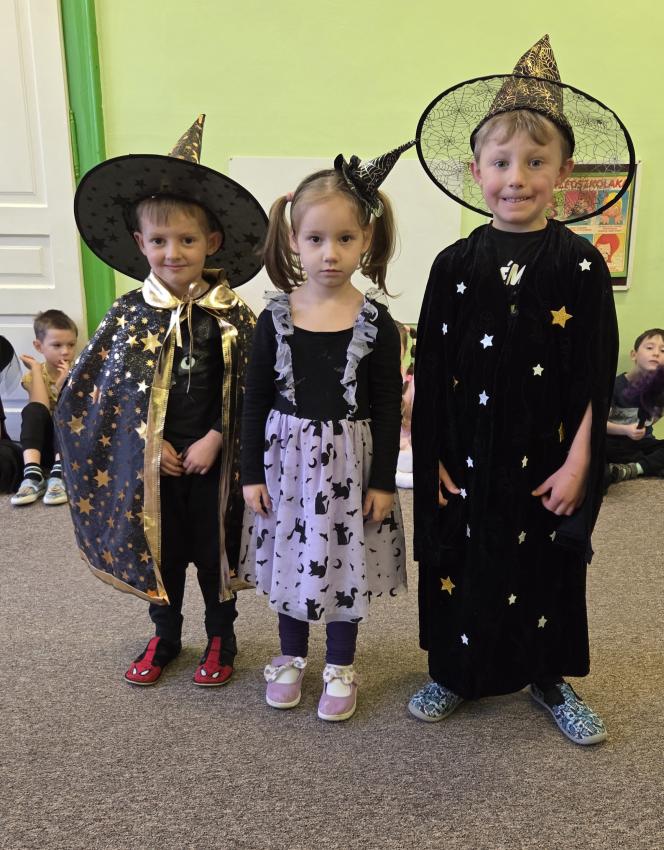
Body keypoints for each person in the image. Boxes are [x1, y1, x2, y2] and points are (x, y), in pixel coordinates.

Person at [410, 35, 633, 744]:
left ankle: (549, 676)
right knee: (464, 559)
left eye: (536, 162)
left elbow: (596, 374)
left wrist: (581, 462)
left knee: (544, 566)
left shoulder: (581, 266)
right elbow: (431, 367)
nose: (517, 178)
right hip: (466, 452)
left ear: (563, 171)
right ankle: (455, 670)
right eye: (502, 162)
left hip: (546, 455)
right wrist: (430, 452)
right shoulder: (452, 265)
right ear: (476, 170)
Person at [56, 116, 267, 686]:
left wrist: (217, 437)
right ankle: (166, 635)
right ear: (139, 244)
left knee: (216, 550)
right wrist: (150, 443)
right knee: (163, 552)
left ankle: (221, 637)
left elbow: (254, 389)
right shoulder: (128, 315)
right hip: (152, 466)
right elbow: (98, 397)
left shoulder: (233, 314)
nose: (173, 253)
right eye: (159, 241)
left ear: (211, 243)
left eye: (187, 240)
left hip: (216, 462)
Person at [240, 143, 412, 721]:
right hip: (286, 465)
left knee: (343, 560)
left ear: (366, 240)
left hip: (350, 468)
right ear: (294, 240)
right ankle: (290, 656)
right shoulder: (274, 317)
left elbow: (388, 406)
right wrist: (249, 474)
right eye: (315, 239)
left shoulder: (376, 323)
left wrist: (383, 482)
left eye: (344, 238)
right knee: (293, 558)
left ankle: (340, 664)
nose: (330, 253)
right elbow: (255, 400)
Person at [10, 310, 77, 506]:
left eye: (71, 345)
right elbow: (39, 406)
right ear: (39, 346)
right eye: (57, 345)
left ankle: (60, 475)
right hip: (43, 448)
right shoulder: (34, 376)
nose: (65, 352)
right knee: (32, 410)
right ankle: (32, 475)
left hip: (71, 449)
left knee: (66, 411)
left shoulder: (81, 372)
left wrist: (65, 387)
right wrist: (36, 369)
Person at [606, 328, 664, 482]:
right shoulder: (614, 386)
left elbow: (653, 419)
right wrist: (626, 430)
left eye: (663, 351)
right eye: (650, 348)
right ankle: (647, 466)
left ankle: (634, 469)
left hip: (640, 444)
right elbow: (598, 424)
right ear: (634, 355)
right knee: (595, 454)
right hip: (612, 443)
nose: (656, 353)